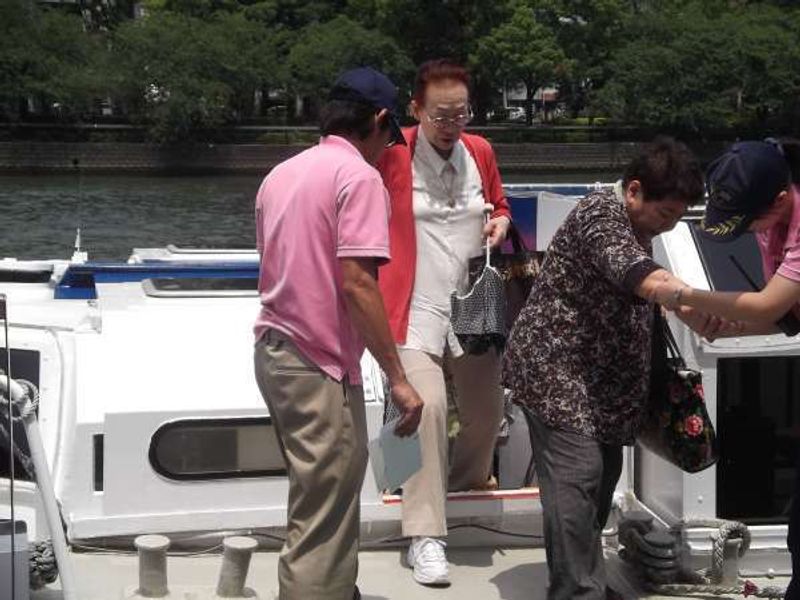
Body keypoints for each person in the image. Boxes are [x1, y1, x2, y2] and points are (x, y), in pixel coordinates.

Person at [502, 137, 705, 600]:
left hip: (606, 388)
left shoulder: (640, 222)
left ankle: (584, 577)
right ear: (634, 190)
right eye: (666, 216)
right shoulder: (600, 217)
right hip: (559, 377)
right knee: (577, 485)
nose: (670, 227)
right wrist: (694, 303)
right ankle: (578, 591)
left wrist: (690, 307)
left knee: (600, 483)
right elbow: (635, 271)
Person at [252, 67, 424, 600]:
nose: (385, 150)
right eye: (389, 136)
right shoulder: (358, 178)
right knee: (325, 509)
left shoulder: (281, 174)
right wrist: (398, 377)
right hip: (316, 362)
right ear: (378, 121)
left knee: (317, 494)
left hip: (275, 352)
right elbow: (358, 284)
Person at [376, 58, 511, 586]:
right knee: (425, 409)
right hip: (412, 305)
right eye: (441, 114)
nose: (453, 123)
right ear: (416, 110)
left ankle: (459, 490)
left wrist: (499, 221)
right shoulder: (392, 155)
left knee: (486, 411)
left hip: (471, 304)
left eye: (461, 112)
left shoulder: (480, 151)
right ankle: (425, 535)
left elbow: (497, 204)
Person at [651, 138, 800, 598]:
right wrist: (725, 328)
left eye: (749, 220)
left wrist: (681, 295)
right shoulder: (770, 221)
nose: (750, 230)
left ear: (780, 198)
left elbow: (767, 302)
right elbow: (787, 313)